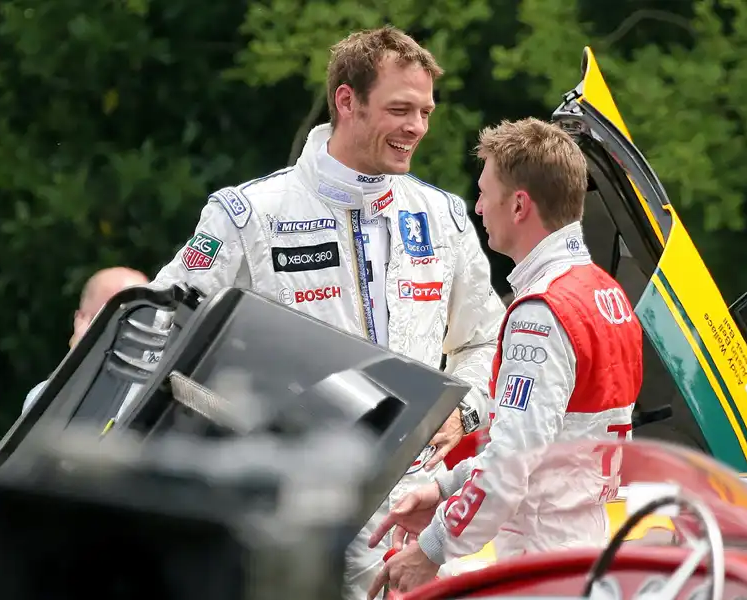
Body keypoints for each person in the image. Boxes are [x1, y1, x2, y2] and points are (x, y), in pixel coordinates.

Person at [147, 26, 505, 600]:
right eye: (400, 108)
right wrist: (236, 422)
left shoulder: (442, 216)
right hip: (295, 506)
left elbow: (486, 339)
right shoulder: (246, 215)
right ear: (346, 101)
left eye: (425, 111)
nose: (417, 127)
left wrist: (465, 409)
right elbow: (158, 327)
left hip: (419, 505)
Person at [366, 117, 645, 596]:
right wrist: (445, 487)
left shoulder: (543, 310)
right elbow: (544, 441)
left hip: (540, 562)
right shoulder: (606, 292)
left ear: (519, 205)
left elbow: (512, 461)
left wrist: (431, 550)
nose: (477, 207)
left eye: (483, 193)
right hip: (585, 545)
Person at [23, 267, 148, 413]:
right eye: (109, 321)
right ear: (81, 323)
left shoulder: (168, 382)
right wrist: (79, 363)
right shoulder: (41, 398)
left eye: (142, 318)